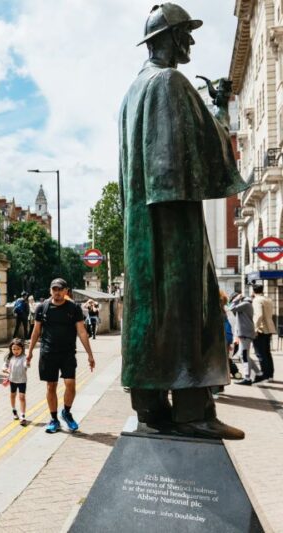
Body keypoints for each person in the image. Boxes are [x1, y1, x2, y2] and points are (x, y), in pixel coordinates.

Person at [119, 3, 247, 440]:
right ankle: (194, 410)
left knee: (150, 310)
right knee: (188, 305)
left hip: (143, 221)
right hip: (173, 218)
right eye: (186, 34)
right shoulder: (170, 81)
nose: (191, 41)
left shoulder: (133, 91)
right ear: (170, 38)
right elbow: (201, 148)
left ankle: (149, 406)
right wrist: (221, 112)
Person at [27, 278, 95, 434]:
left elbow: (82, 331)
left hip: (68, 352)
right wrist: (29, 352)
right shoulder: (42, 308)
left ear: (66, 291)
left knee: (70, 384)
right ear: (50, 290)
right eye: (54, 289)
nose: (57, 292)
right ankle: (54, 419)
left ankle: (66, 412)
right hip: (48, 352)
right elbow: (36, 331)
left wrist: (90, 355)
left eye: (60, 289)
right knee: (51, 386)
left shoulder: (73, 308)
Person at [229, 292, 260, 386]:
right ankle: (258, 373)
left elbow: (231, 308)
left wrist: (236, 299)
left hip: (245, 333)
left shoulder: (245, 304)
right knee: (244, 355)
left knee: (244, 356)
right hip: (245, 333)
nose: (234, 301)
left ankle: (247, 378)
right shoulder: (246, 304)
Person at [251, 284, 275, 382]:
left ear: (253, 291)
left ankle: (264, 375)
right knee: (267, 353)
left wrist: (255, 329)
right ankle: (270, 375)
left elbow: (258, 315)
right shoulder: (268, 299)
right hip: (269, 328)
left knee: (260, 354)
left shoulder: (257, 300)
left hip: (261, 329)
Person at [3, 338, 29, 425]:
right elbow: (4, 366)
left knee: (22, 397)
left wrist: (27, 363)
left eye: (18, 349)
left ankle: (22, 416)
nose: (16, 351)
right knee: (12, 396)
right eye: (14, 349)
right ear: (11, 349)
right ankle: (14, 411)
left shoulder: (24, 357)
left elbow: (26, 365)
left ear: (22, 349)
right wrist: (5, 369)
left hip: (22, 381)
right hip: (12, 380)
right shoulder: (10, 357)